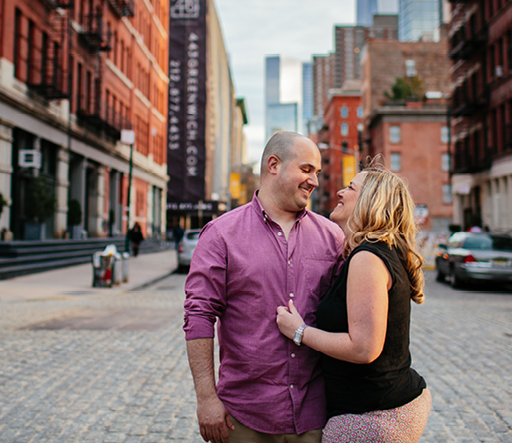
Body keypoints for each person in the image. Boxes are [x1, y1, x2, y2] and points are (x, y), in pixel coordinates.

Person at [184, 132, 345, 443]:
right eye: (306, 169)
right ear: (274, 165)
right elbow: (199, 316)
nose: (314, 181)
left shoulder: (332, 236)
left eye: (317, 172)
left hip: (314, 417)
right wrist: (206, 398)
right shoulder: (221, 234)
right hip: (243, 418)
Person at [276, 166, 431, 443]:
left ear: (370, 201)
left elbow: (363, 348)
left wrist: (299, 331)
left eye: (350, 187)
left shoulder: (367, 258)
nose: (339, 192)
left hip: (373, 417)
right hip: (383, 407)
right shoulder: (375, 252)